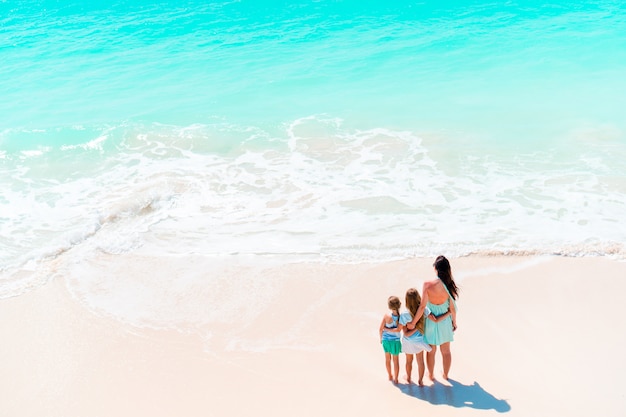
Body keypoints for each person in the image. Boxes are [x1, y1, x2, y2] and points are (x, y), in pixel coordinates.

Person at [409, 255, 459, 381]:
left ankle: (431, 375)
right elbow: (452, 309)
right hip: (445, 322)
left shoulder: (427, 285)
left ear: (435, 268)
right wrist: (454, 323)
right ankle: (446, 375)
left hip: (430, 321)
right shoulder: (450, 286)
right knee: (446, 351)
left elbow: (422, 307)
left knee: (431, 351)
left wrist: (413, 323)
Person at [399, 288, 451, 385]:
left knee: (409, 361)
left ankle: (409, 378)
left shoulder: (404, 314)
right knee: (420, 361)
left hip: (407, 342)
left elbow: (406, 333)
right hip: (419, 341)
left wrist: (413, 328)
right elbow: (435, 320)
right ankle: (420, 381)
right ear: (419, 297)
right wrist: (448, 313)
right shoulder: (424, 310)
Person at [379, 296, 402, 383]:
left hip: (386, 340)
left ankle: (390, 376)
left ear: (389, 306)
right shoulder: (400, 317)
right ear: (399, 305)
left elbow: (381, 328)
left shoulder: (386, 316)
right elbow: (400, 329)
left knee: (387, 359)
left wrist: (381, 338)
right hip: (395, 342)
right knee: (396, 361)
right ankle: (396, 379)